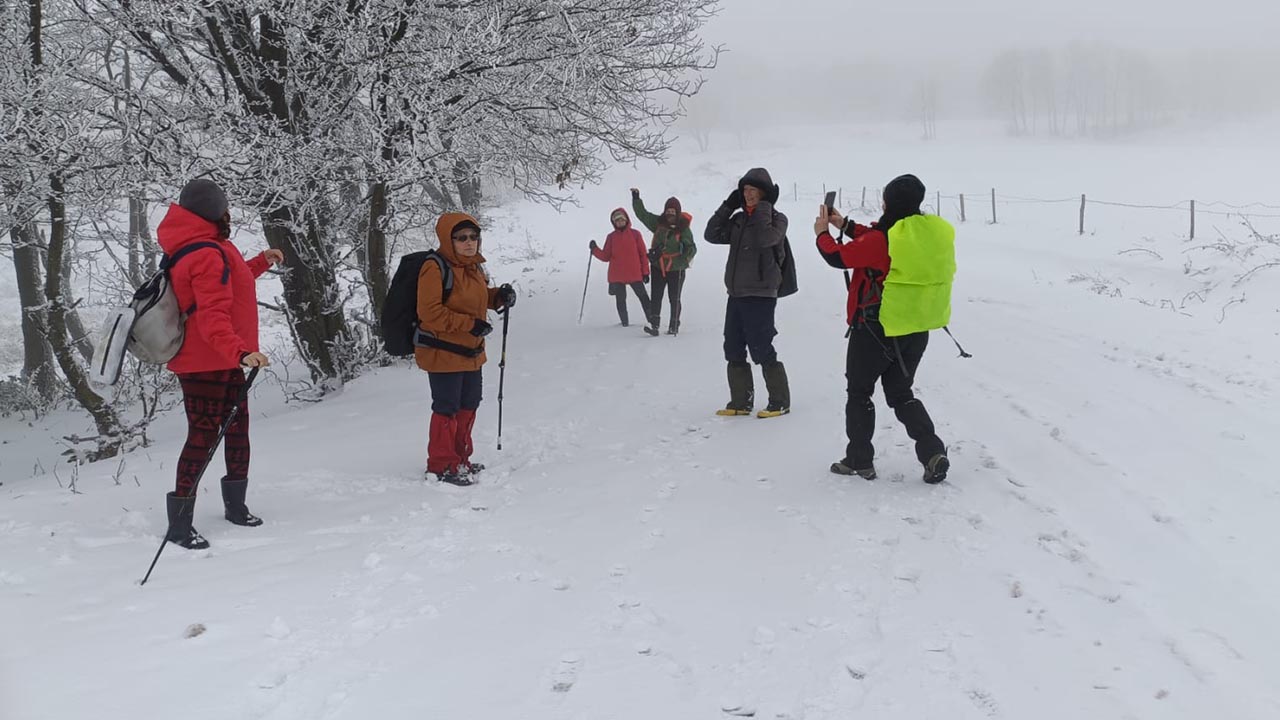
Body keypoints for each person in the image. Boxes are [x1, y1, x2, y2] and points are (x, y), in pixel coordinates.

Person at [156, 178, 283, 549]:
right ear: (215, 211)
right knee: (203, 437)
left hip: (221, 357)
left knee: (237, 430)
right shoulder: (206, 252)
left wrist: (259, 262)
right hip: (205, 361)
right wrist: (240, 353)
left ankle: (236, 507)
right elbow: (212, 315)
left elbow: (226, 282)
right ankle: (179, 526)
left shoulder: (206, 246)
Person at [814, 174, 953, 484]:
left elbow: (838, 257)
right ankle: (932, 451)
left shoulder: (882, 240)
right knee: (901, 394)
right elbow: (878, 240)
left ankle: (859, 461)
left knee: (860, 393)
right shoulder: (923, 234)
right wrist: (846, 225)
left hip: (876, 330)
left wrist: (822, 233)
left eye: (885, 199)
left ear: (890, 203)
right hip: (916, 328)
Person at [416, 212, 516, 486]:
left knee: (469, 404)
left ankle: (460, 459)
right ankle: (440, 465)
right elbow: (429, 312)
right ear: (449, 240)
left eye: (473, 237)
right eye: (461, 238)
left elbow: (477, 299)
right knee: (447, 407)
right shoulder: (434, 268)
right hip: (442, 351)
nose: (469, 242)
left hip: (471, 352)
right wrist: (468, 325)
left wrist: (498, 297)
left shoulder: (474, 267)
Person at [703, 168, 791, 418]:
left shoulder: (777, 219)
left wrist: (764, 207)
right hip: (736, 292)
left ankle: (780, 401)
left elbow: (766, 239)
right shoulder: (739, 220)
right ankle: (741, 401)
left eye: (753, 190)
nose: (747, 194)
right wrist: (727, 207)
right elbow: (711, 234)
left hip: (762, 293)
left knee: (762, 346)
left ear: (764, 193)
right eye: (745, 190)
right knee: (732, 346)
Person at [631, 188, 696, 336]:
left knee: (675, 297)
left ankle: (674, 325)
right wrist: (636, 199)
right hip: (657, 266)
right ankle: (654, 324)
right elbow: (643, 215)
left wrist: (685, 258)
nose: (670, 214)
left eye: (673, 212)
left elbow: (692, 247)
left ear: (678, 213)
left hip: (676, 268)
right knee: (656, 295)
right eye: (668, 211)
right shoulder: (658, 223)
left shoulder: (684, 229)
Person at [590, 208, 653, 329]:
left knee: (644, 298)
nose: (619, 222)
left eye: (621, 220)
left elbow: (643, 255)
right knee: (621, 301)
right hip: (617, 275)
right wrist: (595, 250)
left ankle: (652, 321)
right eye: (617, 220)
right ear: (614, 223)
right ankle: (624, 324)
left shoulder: (635, 234)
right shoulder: (611, 237)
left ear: (626, 220)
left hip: (634, 274)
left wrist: (645, 272)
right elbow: (606, 256)